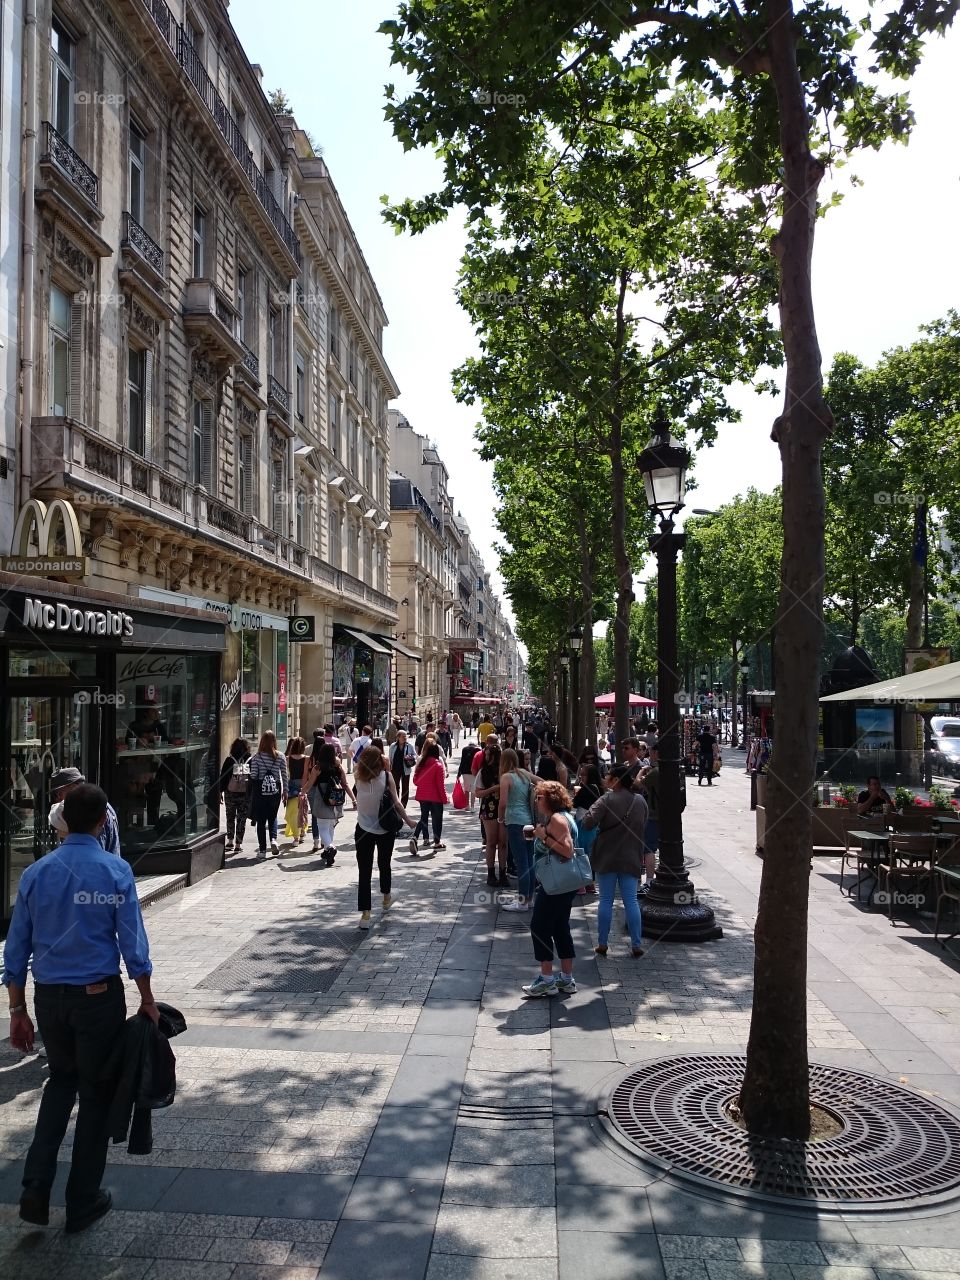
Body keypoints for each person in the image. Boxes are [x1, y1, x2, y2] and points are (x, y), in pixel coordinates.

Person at [3, 783, 157, 1233]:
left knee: (59, 1084)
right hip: (97, 998)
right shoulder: (115, 872)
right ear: (103, 821)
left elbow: (16, 949)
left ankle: (35, 1184)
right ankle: (82, 1198)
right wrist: (146, 998)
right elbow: (133, 943)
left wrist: (16, 1008)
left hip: (49, 998)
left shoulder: (36, 874)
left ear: (65, 820)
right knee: (94, 1094)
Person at [579, 762, 647, 957]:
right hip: (632, 856)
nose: (605, 778)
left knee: (606, 900)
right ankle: (636, 944)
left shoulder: (606, 799)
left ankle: (602, 943)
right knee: (631, 902)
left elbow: (587, 822)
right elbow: (642, 824)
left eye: (608, 776)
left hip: (607, 856)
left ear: (616, 780)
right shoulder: (640, 801)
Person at [522, 781, 579, 998]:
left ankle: (547, 980)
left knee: (539, 926)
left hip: (556, 884)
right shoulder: (563, 817)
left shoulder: (557, 819)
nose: (536, 801)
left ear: (551, 799)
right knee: (560, 927)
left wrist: (542, 837)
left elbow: (567, 851)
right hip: (563, 882)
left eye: (540, 797)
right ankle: (566, 979)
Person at [352, 745, 414, 929]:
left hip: (363, 829)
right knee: (384, 864)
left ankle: (365, 914)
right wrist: (409, 821)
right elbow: (396, 802)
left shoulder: (357, 777)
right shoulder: (387, 777)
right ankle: (386, 897)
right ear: (379, 761)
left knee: (364, 870)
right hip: (385, 830)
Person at [47, 768, 121, 857]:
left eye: (58, 794)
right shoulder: (100, 806)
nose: (57, 799)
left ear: (74, 788)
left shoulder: (92, 811)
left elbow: (93, 856)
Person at [499, 748, 539, 911]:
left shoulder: (506, 777)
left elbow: (502, 803)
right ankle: (529, 899)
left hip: (514, 821)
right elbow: (542, 780)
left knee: (521, 861)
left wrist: (500, 819)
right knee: (529, 861)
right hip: (529, 821)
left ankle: (522, 902)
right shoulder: (524, 773)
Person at [306, 742, 355, 863]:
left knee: (322, 827)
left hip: (322, 800)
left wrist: (301, 792)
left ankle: (330, 847)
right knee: (330, 827)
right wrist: (354, 799)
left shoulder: (317, 768)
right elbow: (345, 784)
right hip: (336, 800)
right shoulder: (338, 767)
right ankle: (328, 854)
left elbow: (309, 784)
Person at [248, 731, 288, 859]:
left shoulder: (257, 757)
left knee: (261, 820)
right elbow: (284, 775)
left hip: (261, 791)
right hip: (275, 790)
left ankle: (262, 850)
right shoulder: (280, 756)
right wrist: (285, 791)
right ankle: (273, 840)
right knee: (273, 816)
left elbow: (253, 775)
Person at [475, 737, 506, 887]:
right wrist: (494, 789)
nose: (486, 758)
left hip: (505, 808)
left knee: (503, 842)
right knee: (491, 841)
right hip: (489, 807)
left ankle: (503, 873)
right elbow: (478, 793)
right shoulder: (483, 772)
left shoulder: (505, 772)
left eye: (488, 755)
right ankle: (491, 873)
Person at [410, 741, 449, 854]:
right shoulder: (438, 765)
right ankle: (437, 843)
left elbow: (415, 781)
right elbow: (440, 785)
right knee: (437, 819)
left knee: (424, 817)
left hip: (422, 796)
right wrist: (445, 798)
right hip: (435, 797)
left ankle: (415, 837)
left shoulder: (422, 763)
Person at [218, 738, 250, 855]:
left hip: (230, 792)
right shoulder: (249, 759)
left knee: (230, 816)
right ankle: (238, 844)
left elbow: (223, 777)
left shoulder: (229, 760)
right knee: (242, 818)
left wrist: (220, 791)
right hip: (245, 794)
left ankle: (230, 841)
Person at [638, 741, 660, 892]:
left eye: (651, 752)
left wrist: (642, 770)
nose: (649, 755)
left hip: (654, 814)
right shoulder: (673, 768)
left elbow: (638, 784)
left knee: (649, 848)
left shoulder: (656, 771)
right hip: (669, 815)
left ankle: (650, 880)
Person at [284, 737, 309, 844]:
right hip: (303, 785)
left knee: (292, 811)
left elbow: (287, 774)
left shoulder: (288, 758)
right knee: (303, 809)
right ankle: (302, 831)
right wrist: (303, 789)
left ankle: (296, 837)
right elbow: (305, 774)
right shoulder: (307, 758)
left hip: (292, 785)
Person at [388, 729, 417, 806]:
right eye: (403, 736)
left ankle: (403, 804)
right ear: (398, 737)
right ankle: (396, 802)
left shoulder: (409, 746)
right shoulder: (393, 746)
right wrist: (389, 768)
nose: (405, 738)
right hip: (395, 769)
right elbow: (390, 758)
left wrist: (410, 757)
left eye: (405, 736)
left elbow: (415, 756)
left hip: (405, 769)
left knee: (405, 787)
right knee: (395, 786)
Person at [457, 740, 481, 810]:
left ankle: (467, 805)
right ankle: (473, 806)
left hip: (465, 772)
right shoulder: (478, 750)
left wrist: (459, 772)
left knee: (466, 789)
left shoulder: (464, 749)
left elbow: (462, 761)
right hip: (474, 772)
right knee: (473, 790)